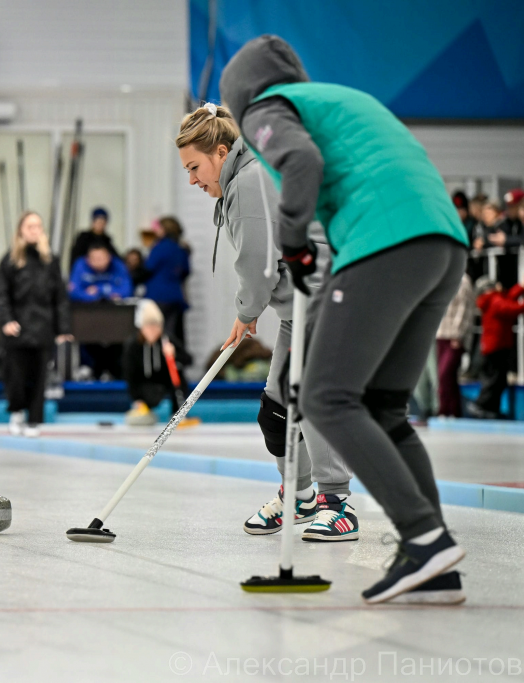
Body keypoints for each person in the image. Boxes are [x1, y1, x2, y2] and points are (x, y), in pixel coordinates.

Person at [221, 35, 471, 603]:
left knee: (326, 397)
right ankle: (433, 562)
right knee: (383, 407)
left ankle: (424, 538)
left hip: (386, 242)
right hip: (443, 246)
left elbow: (300, 163)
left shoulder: (268, 108)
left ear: (241, 94)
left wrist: (292, 244)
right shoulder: (336, 102)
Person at [176, 101, 355, 542]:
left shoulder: (250, 180)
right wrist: (249, 310)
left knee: (308, 401)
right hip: (298, 312)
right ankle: (299, 496)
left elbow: (258, 265)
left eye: (196, 167)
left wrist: (246, 312)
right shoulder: (242, 179)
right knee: (276, 411)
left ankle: (338, 504)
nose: (193, 180)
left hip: (325, 304)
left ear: (221, 152)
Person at [0, 211, 72, 437]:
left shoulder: (51, 261)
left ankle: (34, 420)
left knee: (39, 377)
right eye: (30, 226)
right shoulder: (9, 260)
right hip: (17, 328)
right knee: (16, 376)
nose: (34, 230)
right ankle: (17, 411)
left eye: (38, 226)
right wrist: (6, 320)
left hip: (43, 327)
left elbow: (60, 297)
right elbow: (2, 295)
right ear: (21, 229)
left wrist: (63, 328)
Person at [68, 244, 132, 379]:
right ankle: (89, 368)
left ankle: (116, 371)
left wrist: (99, 290)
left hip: (115, 320)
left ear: (109, 257)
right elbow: (73, 292)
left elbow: (126, 290)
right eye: (94, 258)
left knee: (119, 341)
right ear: (88, 259)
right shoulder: (80, 265)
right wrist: (101, 294)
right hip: (87, 320)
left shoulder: (117, 265)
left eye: (101, 258)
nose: (98, 261)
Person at [467, 277, 524, 419]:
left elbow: (509, 297)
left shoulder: (491, 299)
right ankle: (481, 405)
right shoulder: (494, 300)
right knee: (494, 380)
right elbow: (511, 308)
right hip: (496, 347)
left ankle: (491, 408)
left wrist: (521, 286)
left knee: (497, 380)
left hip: (494, 347)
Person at [122, 301, 179, 425]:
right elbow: (129, 374)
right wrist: (136, 399)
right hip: (144, 386)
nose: (153, 330)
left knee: (179, 371)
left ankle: (178, 411)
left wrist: (174, 354)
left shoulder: (166, 340)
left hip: (163, 382)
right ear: (141, 327)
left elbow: (189, 359)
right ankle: (143, 406)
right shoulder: (132, 345)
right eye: (149, 326)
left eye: (157, 326)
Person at [144, 217, 191, 365]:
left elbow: (148, 268)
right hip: (175, 297)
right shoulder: (180, 249)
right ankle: (174, 364)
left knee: (155, 333)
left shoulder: (159, 247)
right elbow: (186, 271)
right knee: (172, 333)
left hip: (158, 295)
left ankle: (158, 365)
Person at [435, 273, 474, 417]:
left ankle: (447, 410)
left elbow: (464, 309)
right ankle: (450, 410)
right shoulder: (444, 278)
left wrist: (458, 334)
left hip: (454, 336)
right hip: (441, 334)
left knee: (445, 373)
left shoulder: (463, 281)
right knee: (445, 376)